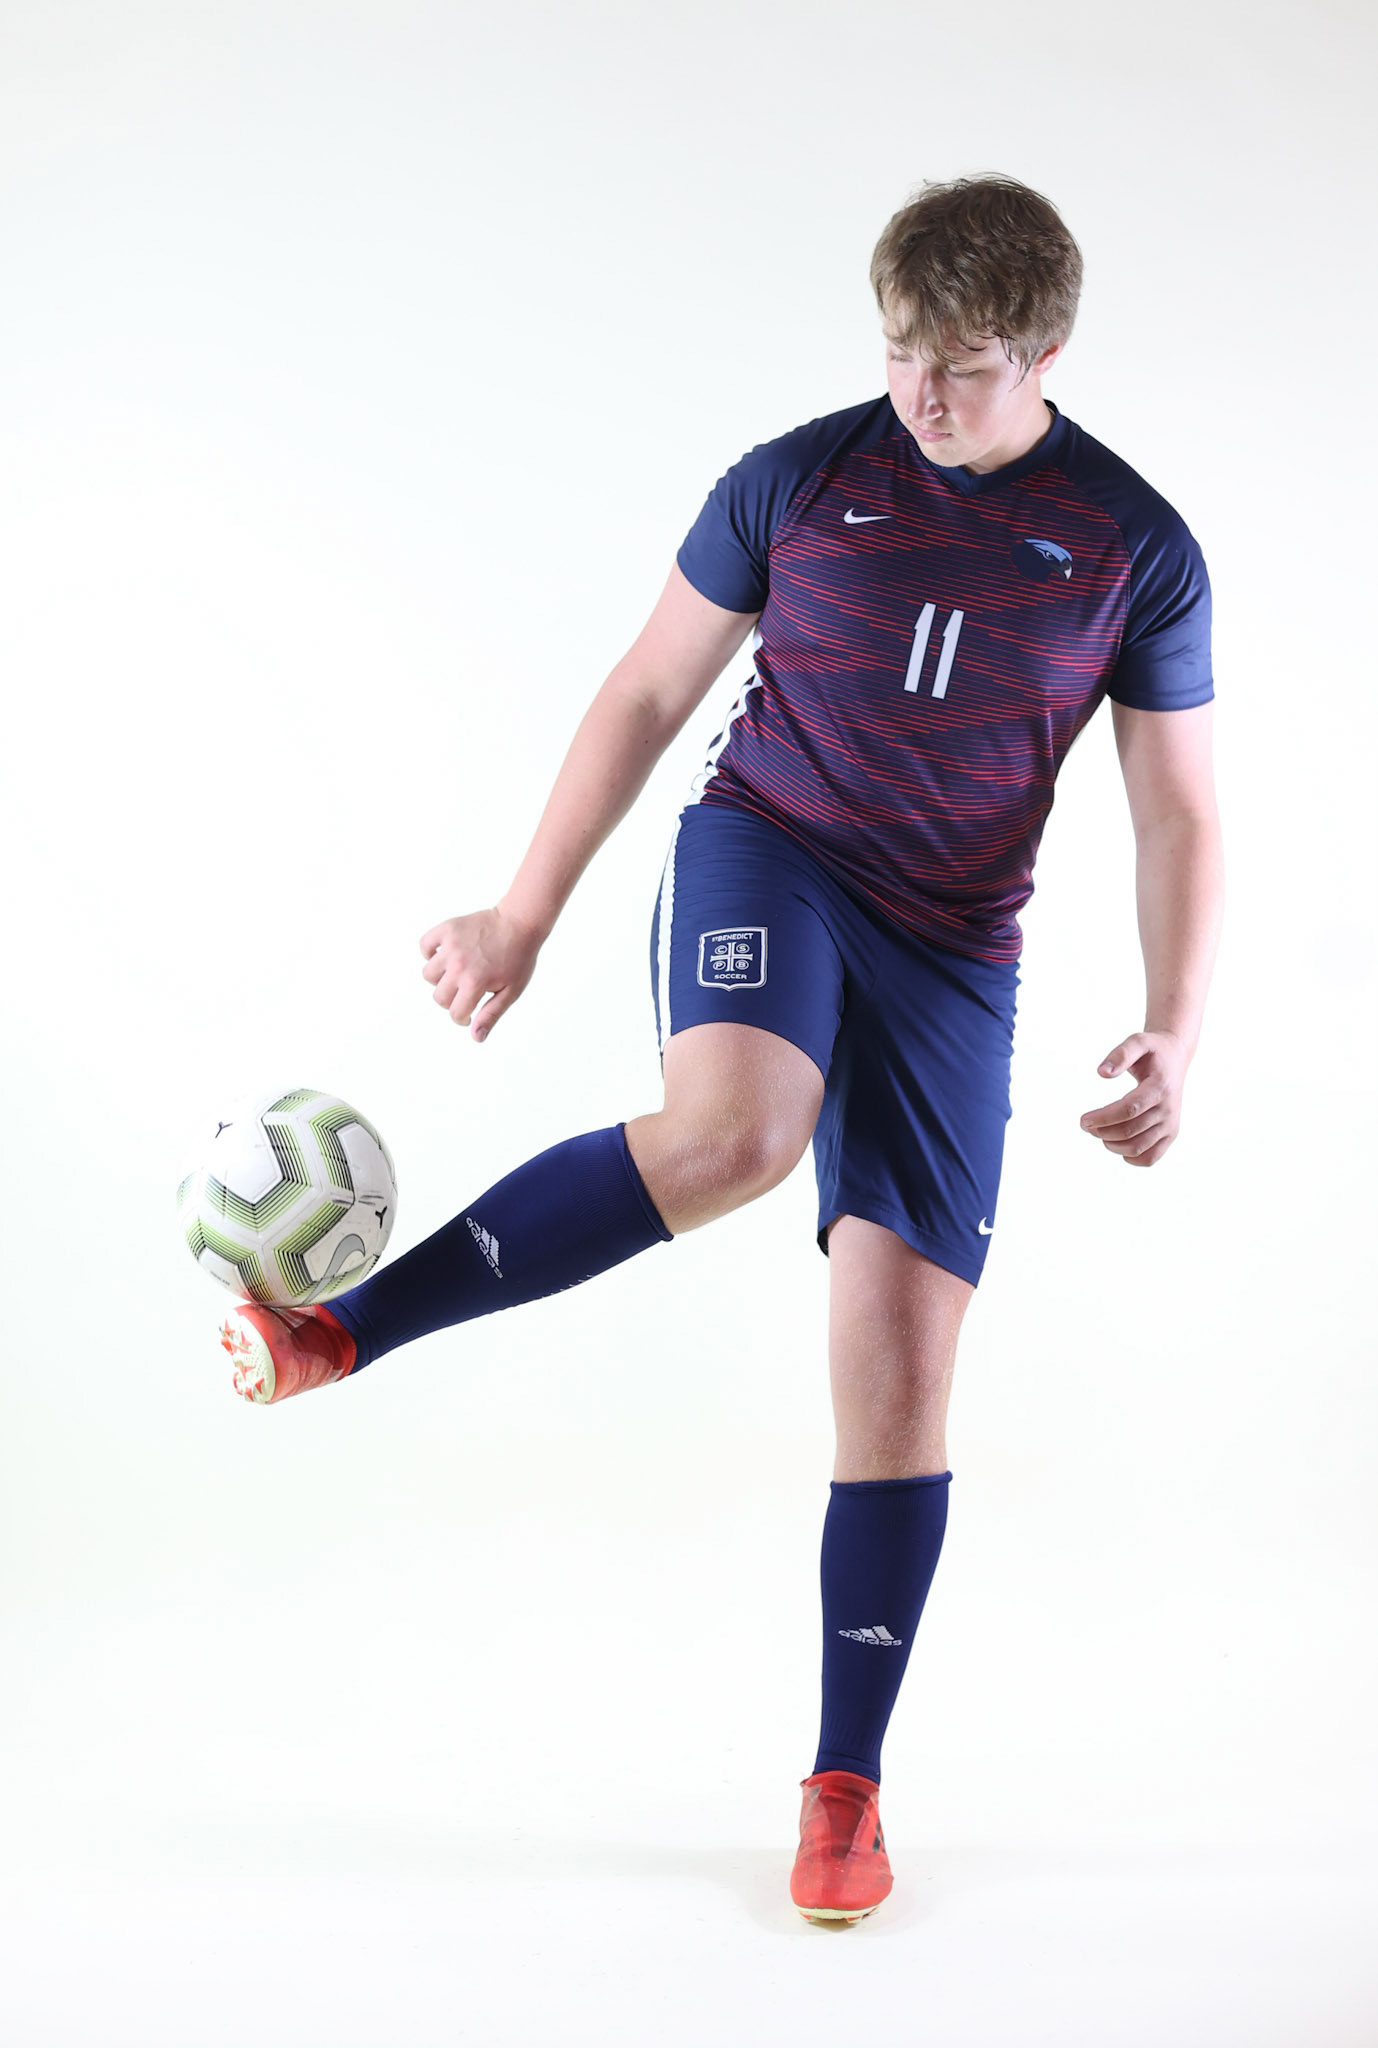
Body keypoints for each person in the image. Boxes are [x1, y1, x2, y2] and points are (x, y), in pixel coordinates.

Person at [217, 174, 1225, 1927]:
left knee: (902, 1366)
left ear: (1047, 351)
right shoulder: (799, 477)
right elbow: (641, 692)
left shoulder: (1134, 542)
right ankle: (334, 1332)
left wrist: (1176, 1028)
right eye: (903, 352)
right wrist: (523, 913)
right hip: (774, 847)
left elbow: (1177, 809)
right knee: (739, 1133)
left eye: (965, 369)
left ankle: (844, 1791)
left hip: (953, 951)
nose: (923, 395)